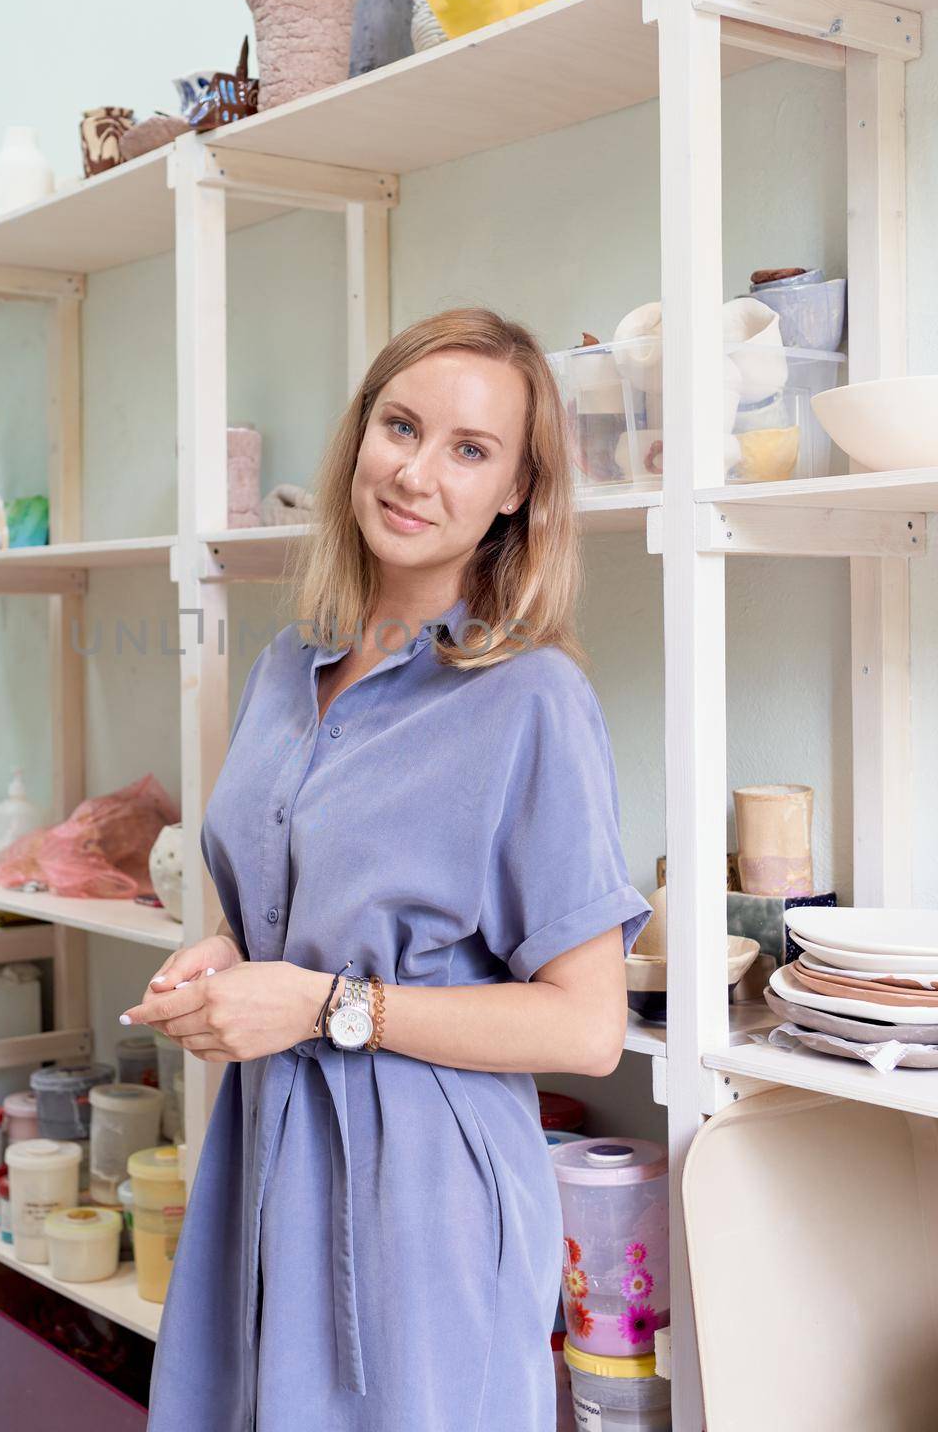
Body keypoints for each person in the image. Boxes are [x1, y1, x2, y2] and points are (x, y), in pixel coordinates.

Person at [122, 308, 653, 1431]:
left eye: (469, 449)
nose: (416, 472)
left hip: (421, 1205)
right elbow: (281, 898)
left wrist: (323, 1004)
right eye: (399, 425)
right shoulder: (282, 665)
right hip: (259, 1163)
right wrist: (225, 953)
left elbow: (584, 1028)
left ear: (516, 490)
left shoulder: (531, 700)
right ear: (358, 434)